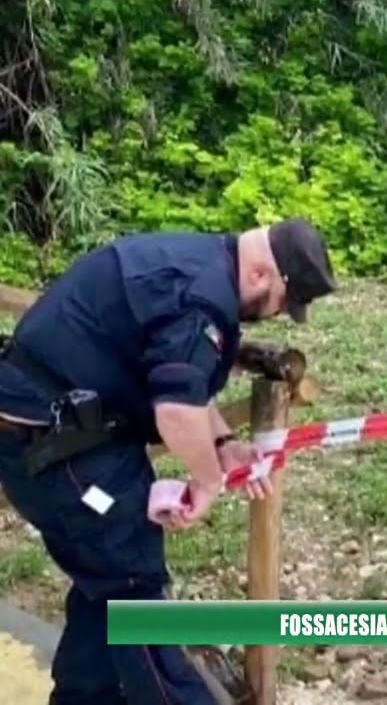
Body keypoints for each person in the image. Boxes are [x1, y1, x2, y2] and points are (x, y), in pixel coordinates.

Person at [0, 218, 337, 705]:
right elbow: (177, 413)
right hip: (58, 446)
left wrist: (222, 447)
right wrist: (207, 481)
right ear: (264, 275)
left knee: (108, 585)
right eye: (285, 303)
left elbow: (181, 382)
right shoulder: (202, 299)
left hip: (58, 435)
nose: (279, 314)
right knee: (135, 588)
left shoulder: (196, 263)